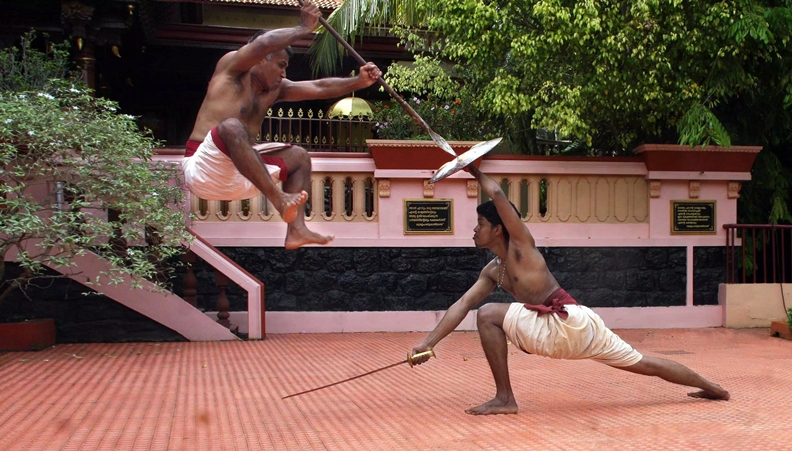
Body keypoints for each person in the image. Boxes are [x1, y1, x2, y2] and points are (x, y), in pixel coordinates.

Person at [409, 165, 730, 415]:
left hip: (568, 322)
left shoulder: (522, 246)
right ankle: (713, 387)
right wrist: (427, 344)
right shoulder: (493, 270)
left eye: (480, 224)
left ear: (498, 228)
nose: (475, 230)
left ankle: (505, 398)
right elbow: (461, 304)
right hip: (579, 325)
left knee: (489, 314)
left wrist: (474, 169)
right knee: (644, 363)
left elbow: (498, 196)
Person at [182, 0, 381, 249]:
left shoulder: (276, 89)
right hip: (203, 169)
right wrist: (302, 28)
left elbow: (318, 87)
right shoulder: (231, 70)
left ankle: (296, 230)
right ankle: (280, 200)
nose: (283, 74)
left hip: (243, 176)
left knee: (299, 156)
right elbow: (263, 43)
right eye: (281, 65)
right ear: (259, 59)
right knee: (231, 126)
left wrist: (358, 82)